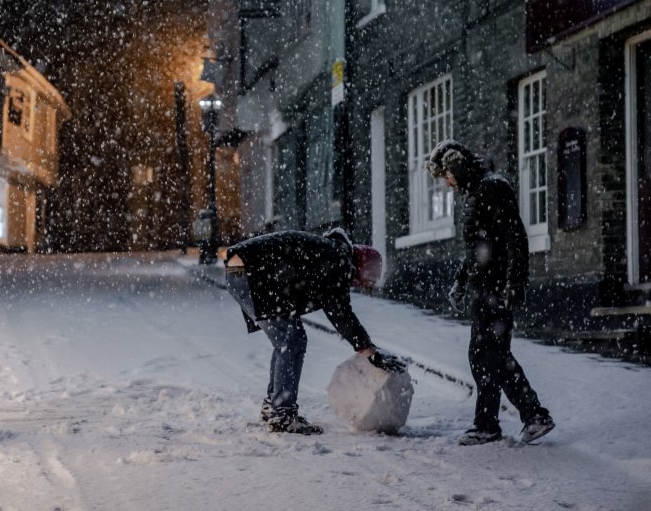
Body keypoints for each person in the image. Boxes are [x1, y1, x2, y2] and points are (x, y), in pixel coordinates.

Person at [426, 139, 555, 446]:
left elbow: (515, 239)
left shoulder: (492, 188)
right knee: (494, 355)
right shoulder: (475, 192)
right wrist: (461, 280)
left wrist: (513, 284)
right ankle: (532, 416)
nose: (446, 182)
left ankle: (490, 423)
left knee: (485, 354)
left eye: (446, 174)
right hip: (486, 288)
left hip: (496, 288)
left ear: (456, 165)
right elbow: (476, 248)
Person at [225, 227, 405, 435]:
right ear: (361, 267)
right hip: (255, 272)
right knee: (291, 340)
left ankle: (274, 407)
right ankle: (282, 414)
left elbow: (337, 308)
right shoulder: (338, 261)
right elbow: (340, 313)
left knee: (288, 339)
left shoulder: (331, 254)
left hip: (245, 270)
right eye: (365, 281)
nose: (359, 286)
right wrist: (370, 352)